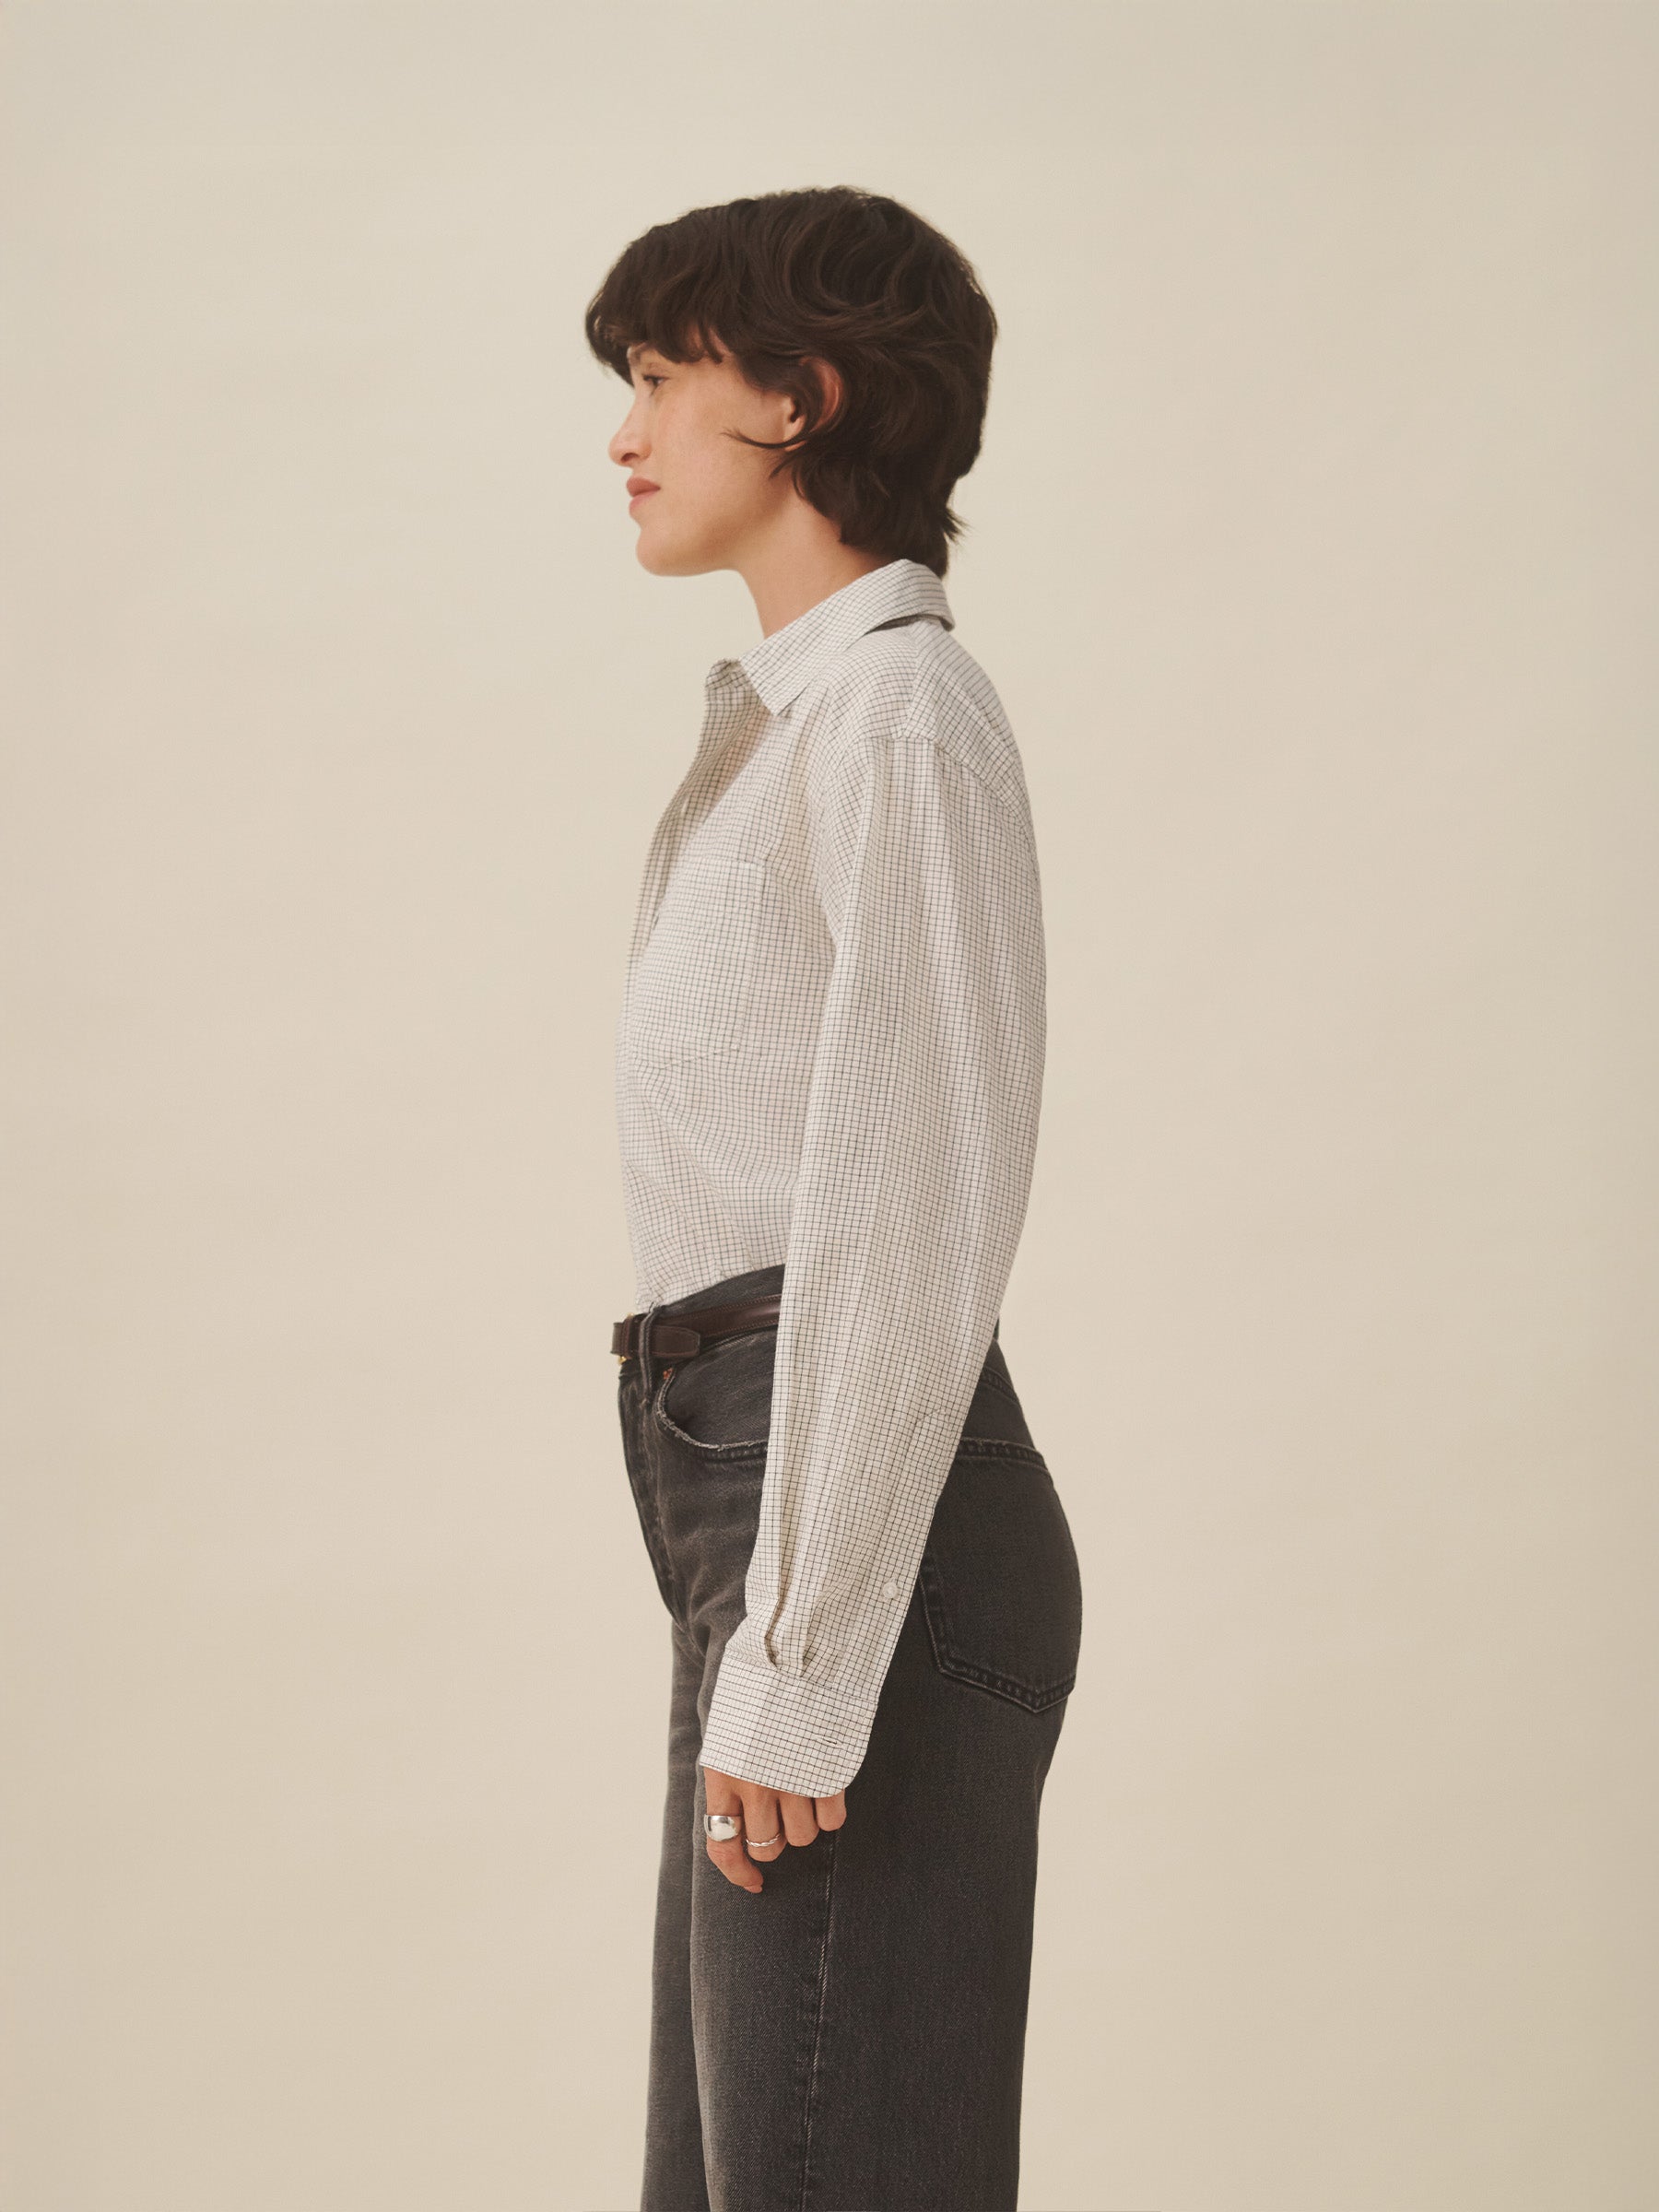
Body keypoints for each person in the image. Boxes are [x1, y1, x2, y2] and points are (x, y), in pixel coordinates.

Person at [585, 185, 1084, 2212]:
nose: (623, 434)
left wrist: (802, 1657)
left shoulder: (898, 716)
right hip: (779, 1516)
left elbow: (913, 1203)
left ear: (800, 399)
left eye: (658, 378)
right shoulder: (805, 720)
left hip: (859, 1530)